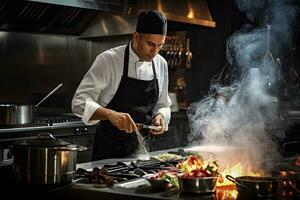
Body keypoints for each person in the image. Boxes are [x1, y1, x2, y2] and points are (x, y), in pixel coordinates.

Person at [71, 10, 172, 161]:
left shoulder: (161, 63)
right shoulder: (109, 60)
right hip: (108, 151)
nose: (154, 52)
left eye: (160, 46)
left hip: (142, 152)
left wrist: (161, 116)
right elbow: (78, 104)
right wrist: (111, 115)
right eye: (150, 44)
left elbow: (163, 104)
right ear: (136, 36)